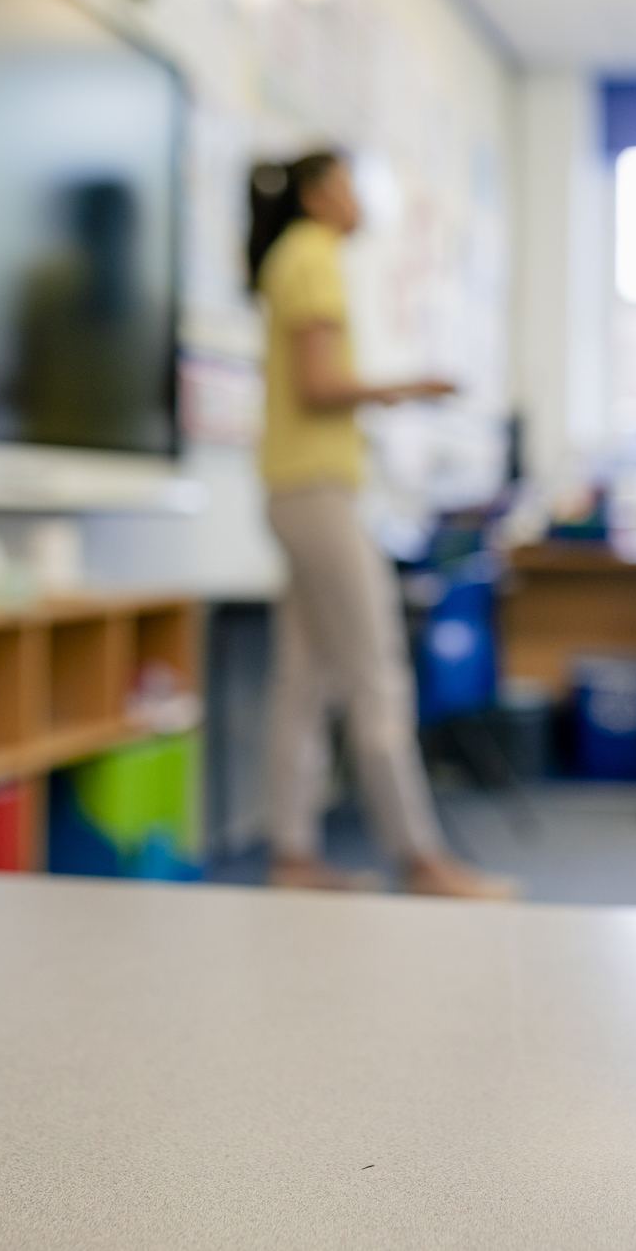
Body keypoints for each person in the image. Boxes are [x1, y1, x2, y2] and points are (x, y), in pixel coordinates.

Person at [249, 150, 519, 899]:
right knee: (375, 672)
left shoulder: (294, 257)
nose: (355, 197)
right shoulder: (311, 257)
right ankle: (419, 856)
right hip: (315, 490)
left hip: (297, 488)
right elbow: (320, 383)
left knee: (303, 678)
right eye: (342, 183)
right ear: (313, 196)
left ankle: (292, 857)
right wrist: (412, 385)